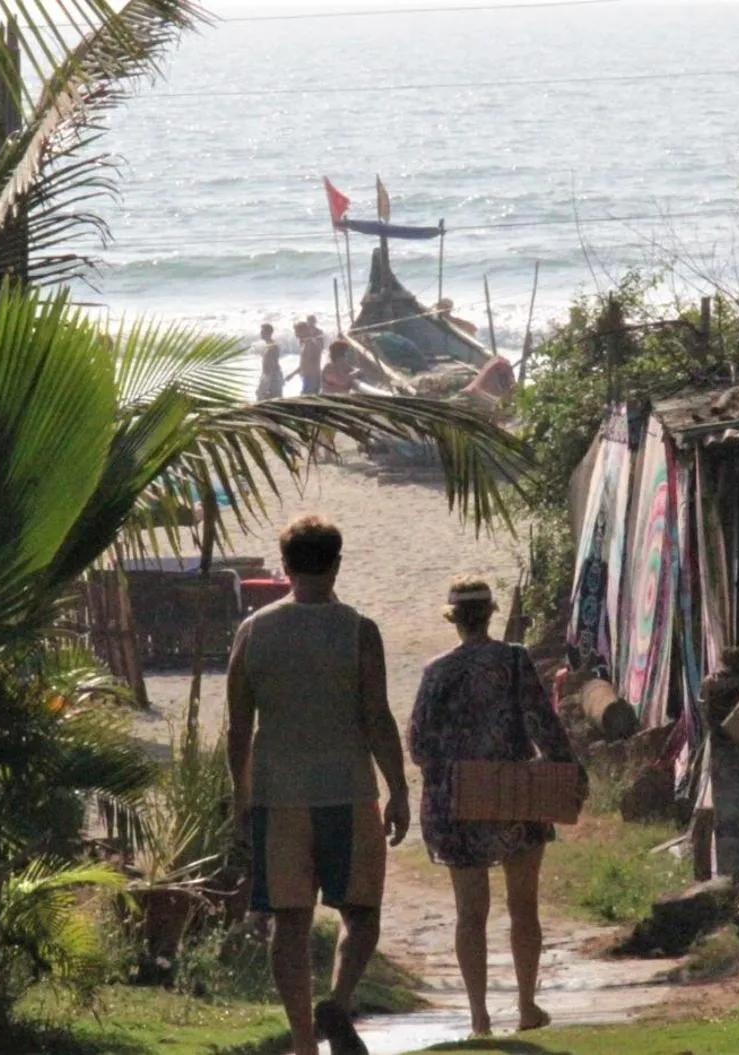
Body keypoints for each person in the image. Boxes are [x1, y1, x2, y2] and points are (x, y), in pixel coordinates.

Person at [227, 515, 411, 1055]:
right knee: (362, 914)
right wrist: (398, 788)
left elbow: (239, 726)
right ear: (336, 564)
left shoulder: (253, 632)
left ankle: (305, 1041)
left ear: (284, 566)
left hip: (278, 796)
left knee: (289, 922)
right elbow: (377, 716)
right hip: (348, 792)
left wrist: (241, 797)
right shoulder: (358, 630)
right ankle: (337, 1000)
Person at [408, 576, 585, 1038]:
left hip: (459, 800)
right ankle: (527, 1005)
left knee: (471, 913)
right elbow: (542, 723)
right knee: (523, 907)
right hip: (515, 795)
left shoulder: (437, 672)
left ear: (454, 618)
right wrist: (568, 770)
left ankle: (479, 1017)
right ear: (490, 613)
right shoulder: (514, 659)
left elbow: (419, 744)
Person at [254, 322, 285, 402]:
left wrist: (265, 384)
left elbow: (272, 366)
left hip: (271, 377)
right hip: (269, 375)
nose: (261, 333)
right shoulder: (269, 345)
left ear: (268, 333)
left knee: (269, 401)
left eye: (262, 331)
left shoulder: (272, 347)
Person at [298, 319, 325, 395]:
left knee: (308, 398)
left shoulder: (311, 343)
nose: (295, 334)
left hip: (311, 377)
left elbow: (314, 361)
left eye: (297, 331)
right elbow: (305, 361)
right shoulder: (305, 342)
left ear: (303, 331)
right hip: (308, 376)